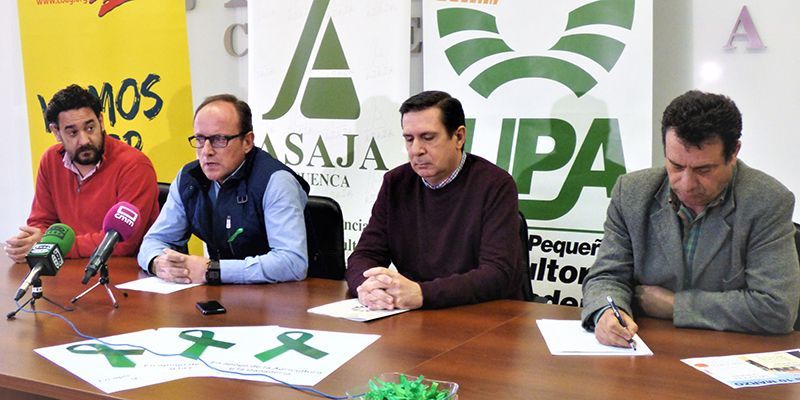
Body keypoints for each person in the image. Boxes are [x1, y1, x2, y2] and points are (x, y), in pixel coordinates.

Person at [581, 90, 800, 347]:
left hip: (730, 353)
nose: (686, 183)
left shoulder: (767, 201)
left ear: (734, 153)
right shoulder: (631, 193)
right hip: (648, 350)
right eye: (675, 165)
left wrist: (675, 306)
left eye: (703, 169)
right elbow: (606, 276)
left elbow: (776, 309)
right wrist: (607, 311)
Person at [346, 90, 525, 310]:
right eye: (409, 139)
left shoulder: (495, 184)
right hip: (414, 313)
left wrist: (423, 294)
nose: (416, 150)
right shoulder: (396, 183)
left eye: (428, 138)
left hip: (481, 315)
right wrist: (366, 287)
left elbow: (497, 273)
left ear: (458, 137)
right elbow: (365, 255)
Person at [137, 94, 309, 284]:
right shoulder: (189, 178)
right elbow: (153, 241)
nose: (206, 151)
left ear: (247, 142)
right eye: (200, 139)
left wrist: (213, 270)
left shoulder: (276, 181)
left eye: (219, 139)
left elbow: (292, 263)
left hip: (282, 300)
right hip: (221, 295)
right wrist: (157, 263)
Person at [4, 84, 159, 261]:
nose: (84, 140)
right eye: (72, 132)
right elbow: (41, 224)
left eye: (90, 128)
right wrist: (28, 242)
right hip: (68, 271)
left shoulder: (134, 165)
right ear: (56, 132)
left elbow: (122, 242)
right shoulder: (50, 161)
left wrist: (54, 247)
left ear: (101, 121)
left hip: (122, 272)